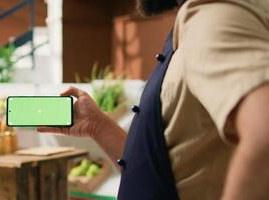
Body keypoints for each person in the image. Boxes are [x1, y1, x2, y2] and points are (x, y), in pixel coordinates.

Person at [38, 0, 269, 199]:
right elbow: (160, 171)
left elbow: (264, 133)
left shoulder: (210, 15)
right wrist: (97, 126)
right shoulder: (199, 21)